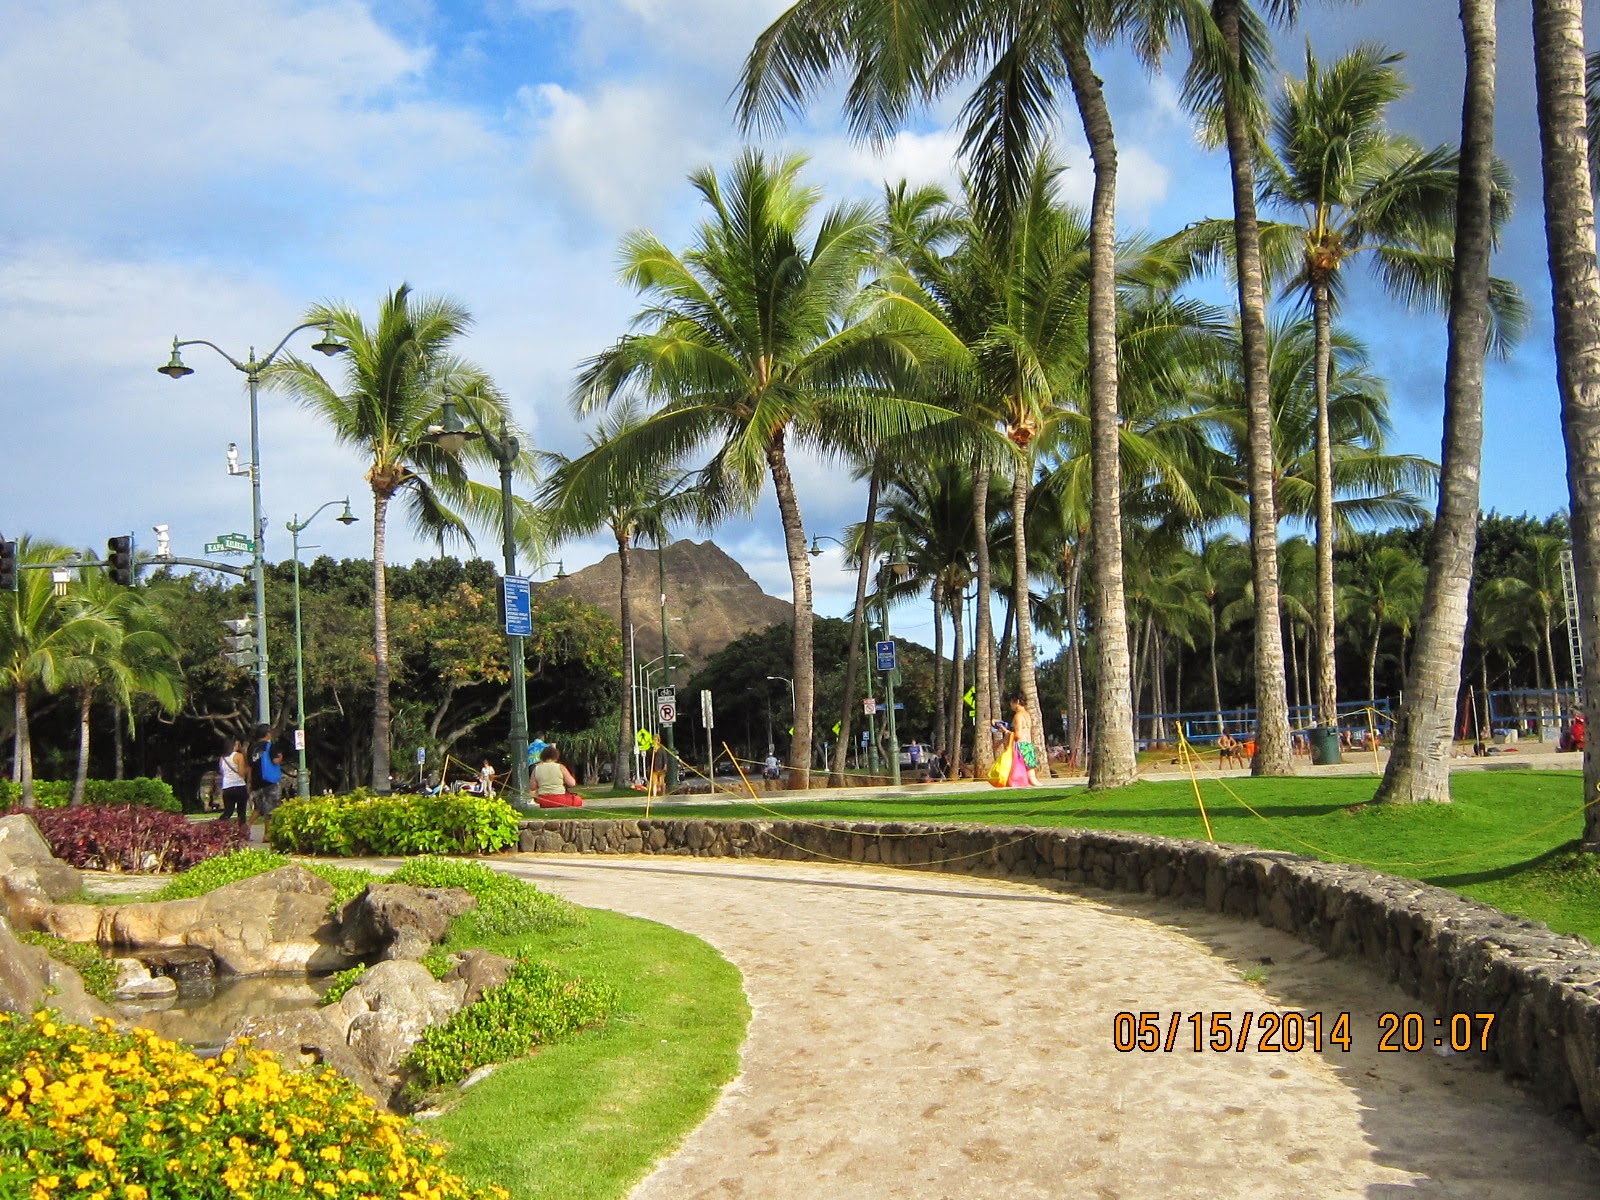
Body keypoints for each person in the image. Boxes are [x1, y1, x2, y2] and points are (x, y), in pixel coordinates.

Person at [248, 723, 283, 823]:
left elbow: (250, 766)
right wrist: (280, 757)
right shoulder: (270, 746)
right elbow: (275, 761)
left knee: (259, 808)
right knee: (271, 809)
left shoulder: (252, 748)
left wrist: (249, 782)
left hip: (256, 781)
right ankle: (267, 834)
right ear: (267, 733)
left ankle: (247, 825)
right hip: (268, 781)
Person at [218, 735, 250, 831]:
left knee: (228, 811)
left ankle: (218, 827)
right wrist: (247, 769)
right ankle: (243, 833)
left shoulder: (222, 758)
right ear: (234, 745)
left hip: (227, 786)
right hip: (239, 786)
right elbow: (241, 773)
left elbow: (222, 772)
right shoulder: (238, 756)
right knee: (241, 812)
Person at [1008, 697, 1040, 787]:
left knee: (1020, 768)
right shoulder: (1027, 714)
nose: (1010, 705)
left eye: (1011, 703)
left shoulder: (1018, 716)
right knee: (1030, 770)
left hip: (1020, 745)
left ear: (1017, 702)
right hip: (1028, 744)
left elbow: (1018, 734)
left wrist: (1006, 732)